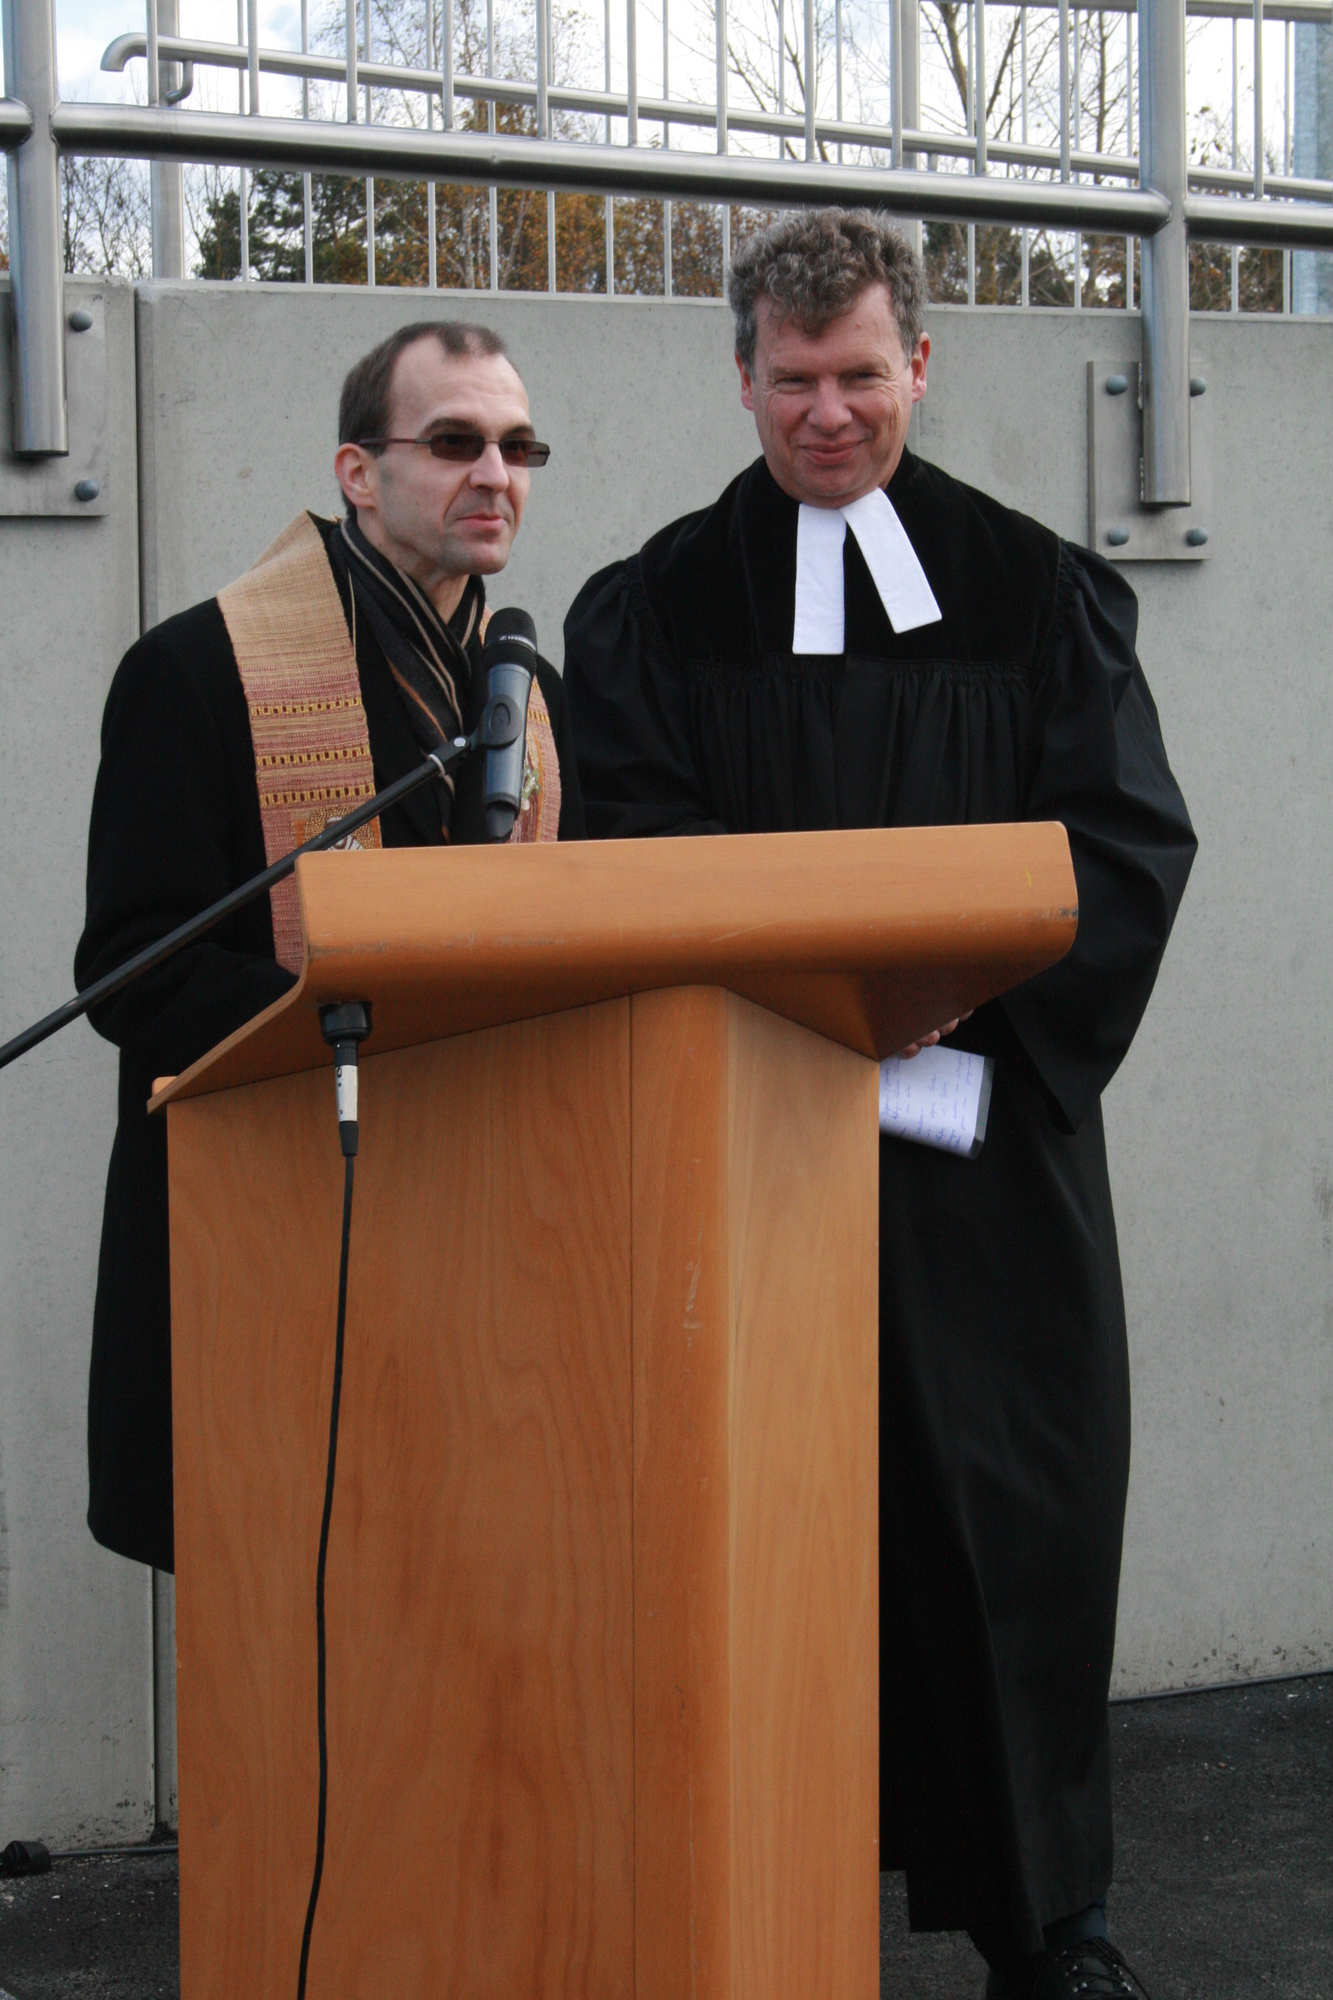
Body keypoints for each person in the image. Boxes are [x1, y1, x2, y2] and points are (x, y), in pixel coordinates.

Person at [563, 211, 1195, 2000]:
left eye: (857, 374)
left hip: (981, 1162)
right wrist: (815, 1018)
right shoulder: (653, 610)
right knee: (742, 1541)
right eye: (791, 380)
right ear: (740, 378)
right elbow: (630, 851)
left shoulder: (1037, 594)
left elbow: (1120, 845)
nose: (825, 413)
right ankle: (736, 1919)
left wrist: (942, 1007)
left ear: (918, 363)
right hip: (741, 1155)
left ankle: (1048, 1930)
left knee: (1011, 1532)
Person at [76, 319, 584, 1577]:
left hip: (469, 1223)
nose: (495, 474)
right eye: (454, 442)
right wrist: (373, 1026)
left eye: (517, 446)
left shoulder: (525, 697)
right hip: (266, 1217)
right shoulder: (200, 667)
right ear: (358, 470)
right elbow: (135, 966)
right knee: (282, 1592)